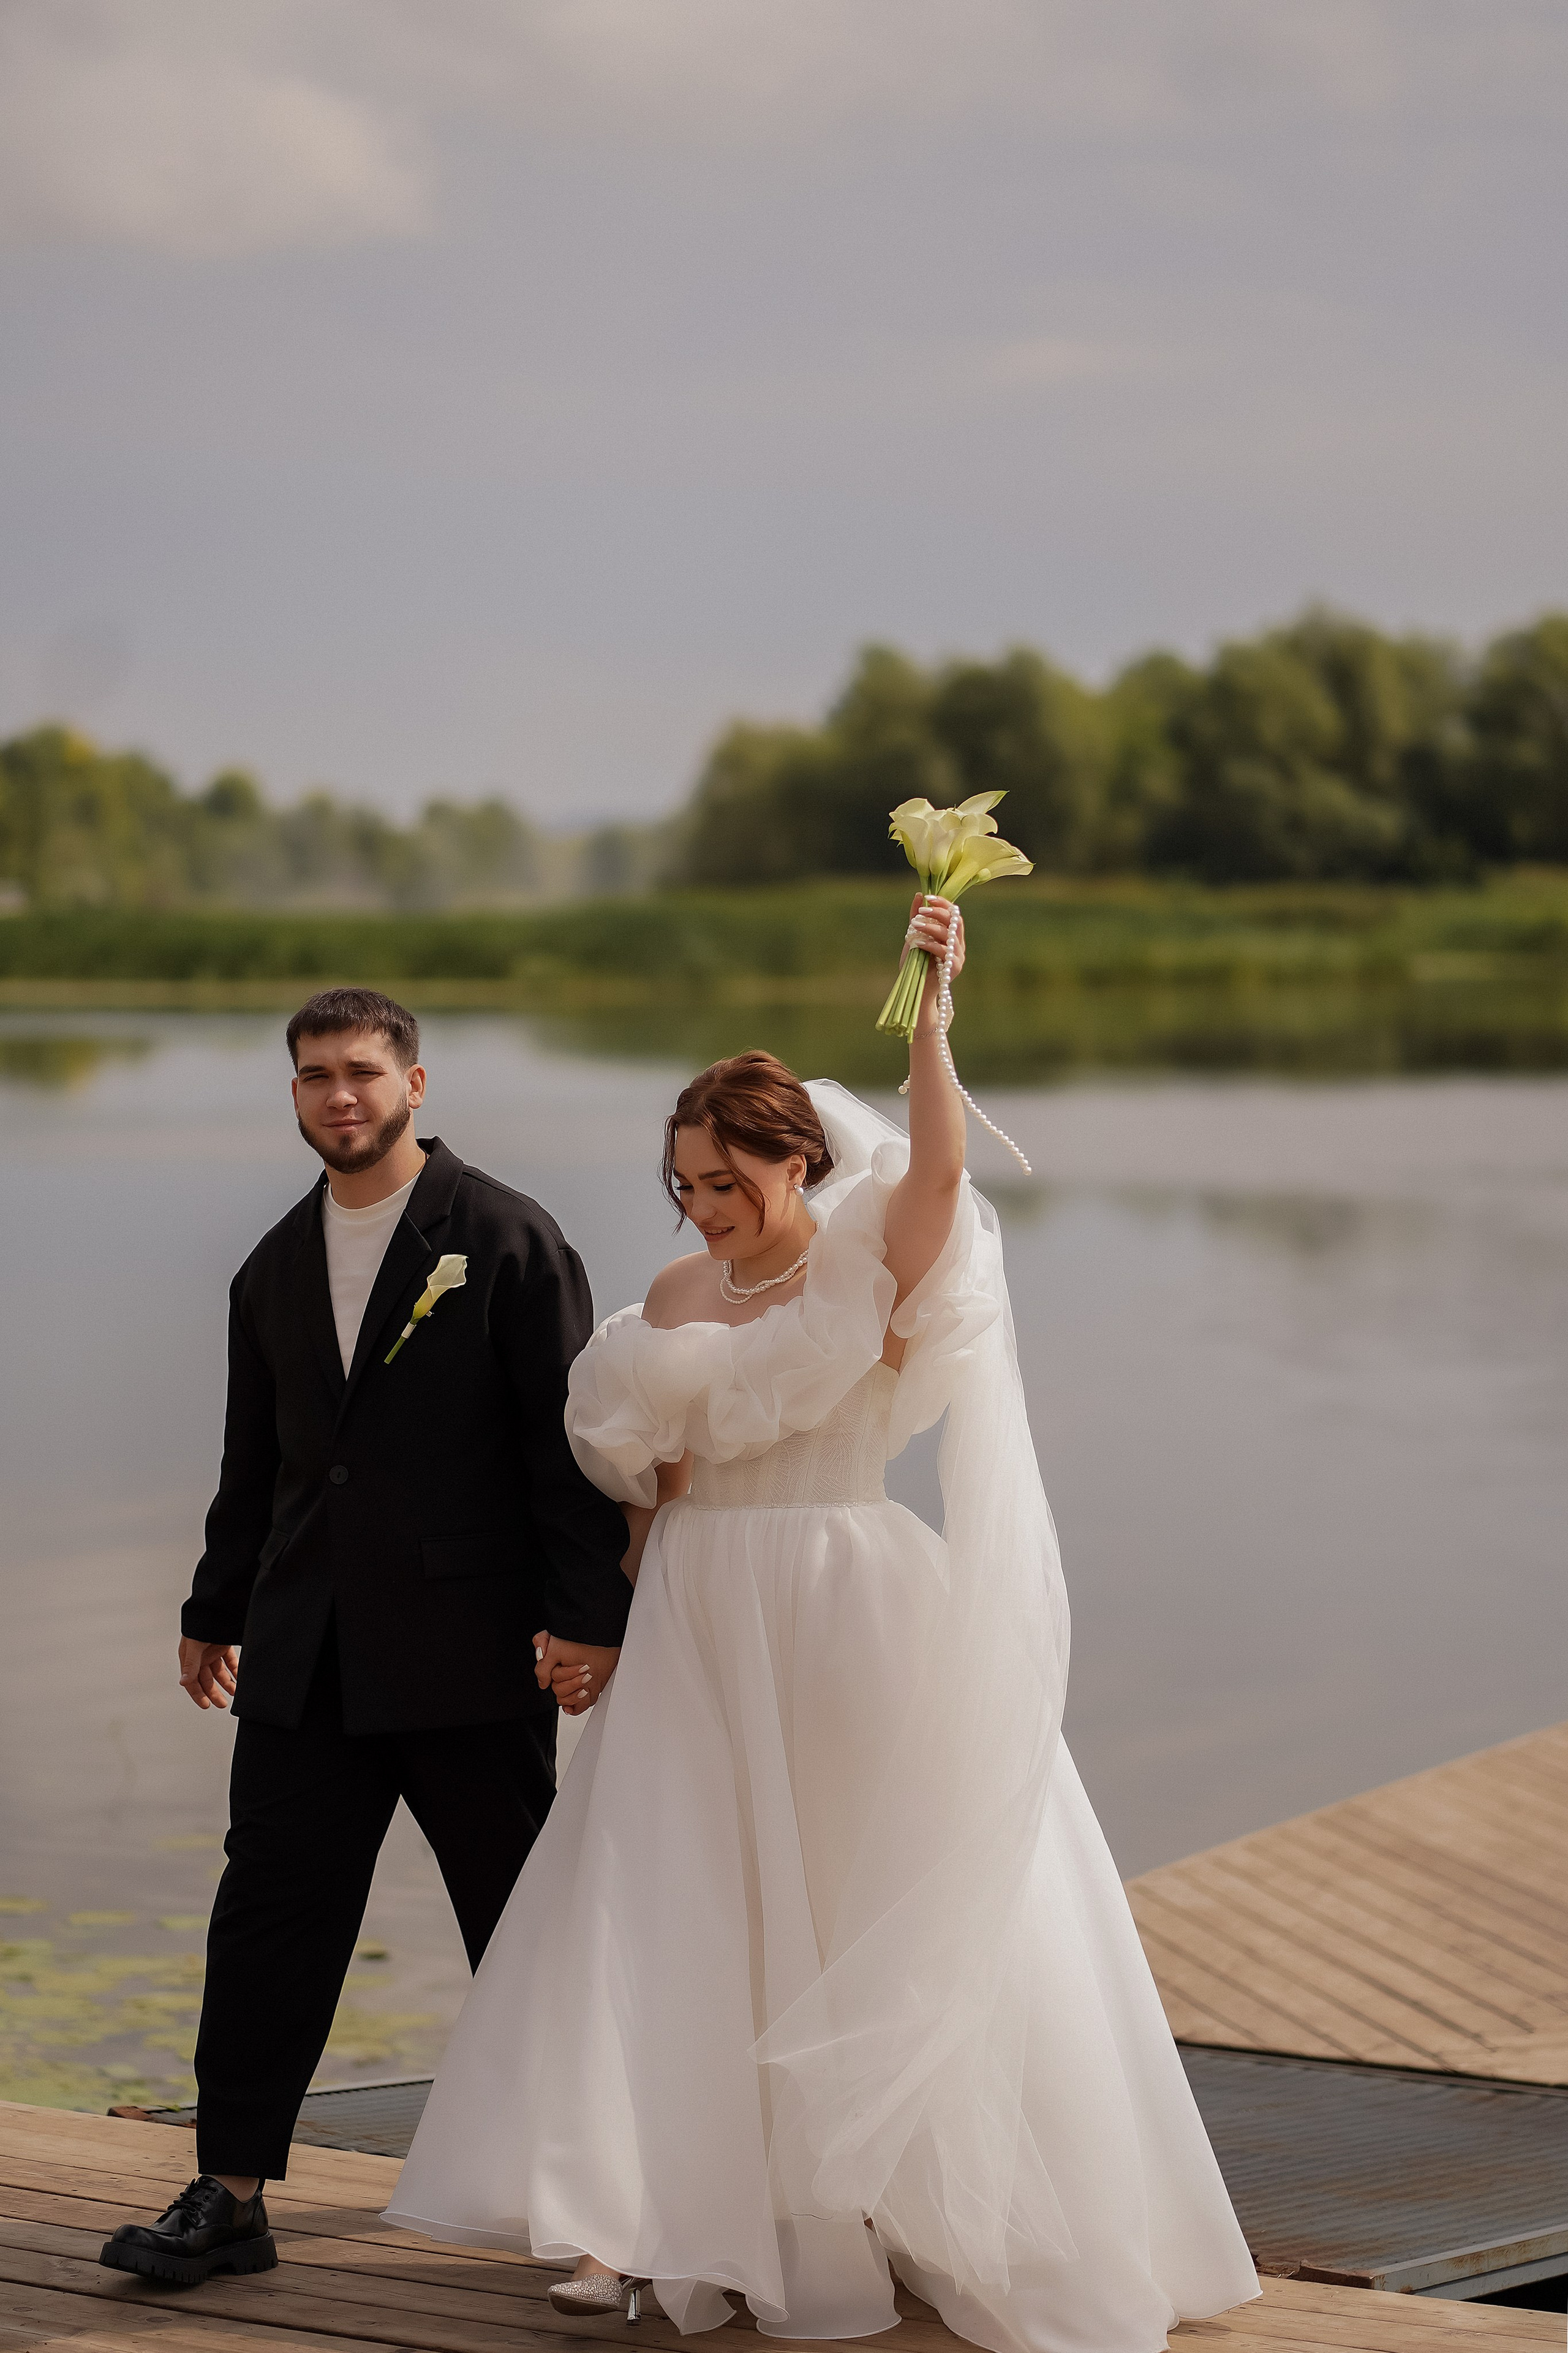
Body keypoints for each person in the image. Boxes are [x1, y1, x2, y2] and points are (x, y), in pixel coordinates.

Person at [385, 900, 1260, 2352]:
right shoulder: (670, 1295)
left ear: (797, 1160)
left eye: (725, 1180)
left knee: (854, 1892)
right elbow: (644, 1499)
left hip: (845, 1603)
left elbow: (936, 1166)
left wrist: (931, 1018)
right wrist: (589, 1626)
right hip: (693, 1614)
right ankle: (654, 2211)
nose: (702, 1209)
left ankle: (867, 2201)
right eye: (681, 1184)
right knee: (665, 1898)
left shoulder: (870, 1268)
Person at [100, 986, 633, 2289]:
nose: (338, 1094)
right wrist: (212, 1609)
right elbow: (257, 1466)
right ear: (292, 1095)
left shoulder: (504, 1236)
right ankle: (228, 2194)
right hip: (305, 1659)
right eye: (312, 1075)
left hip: (469, 1657)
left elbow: (560, 1455)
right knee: (268, 1920)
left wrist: (585, 1619)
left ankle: (603, 2195)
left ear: (415, 1083)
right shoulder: (270, 1267)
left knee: (524, 1925)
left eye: (360, 1071)